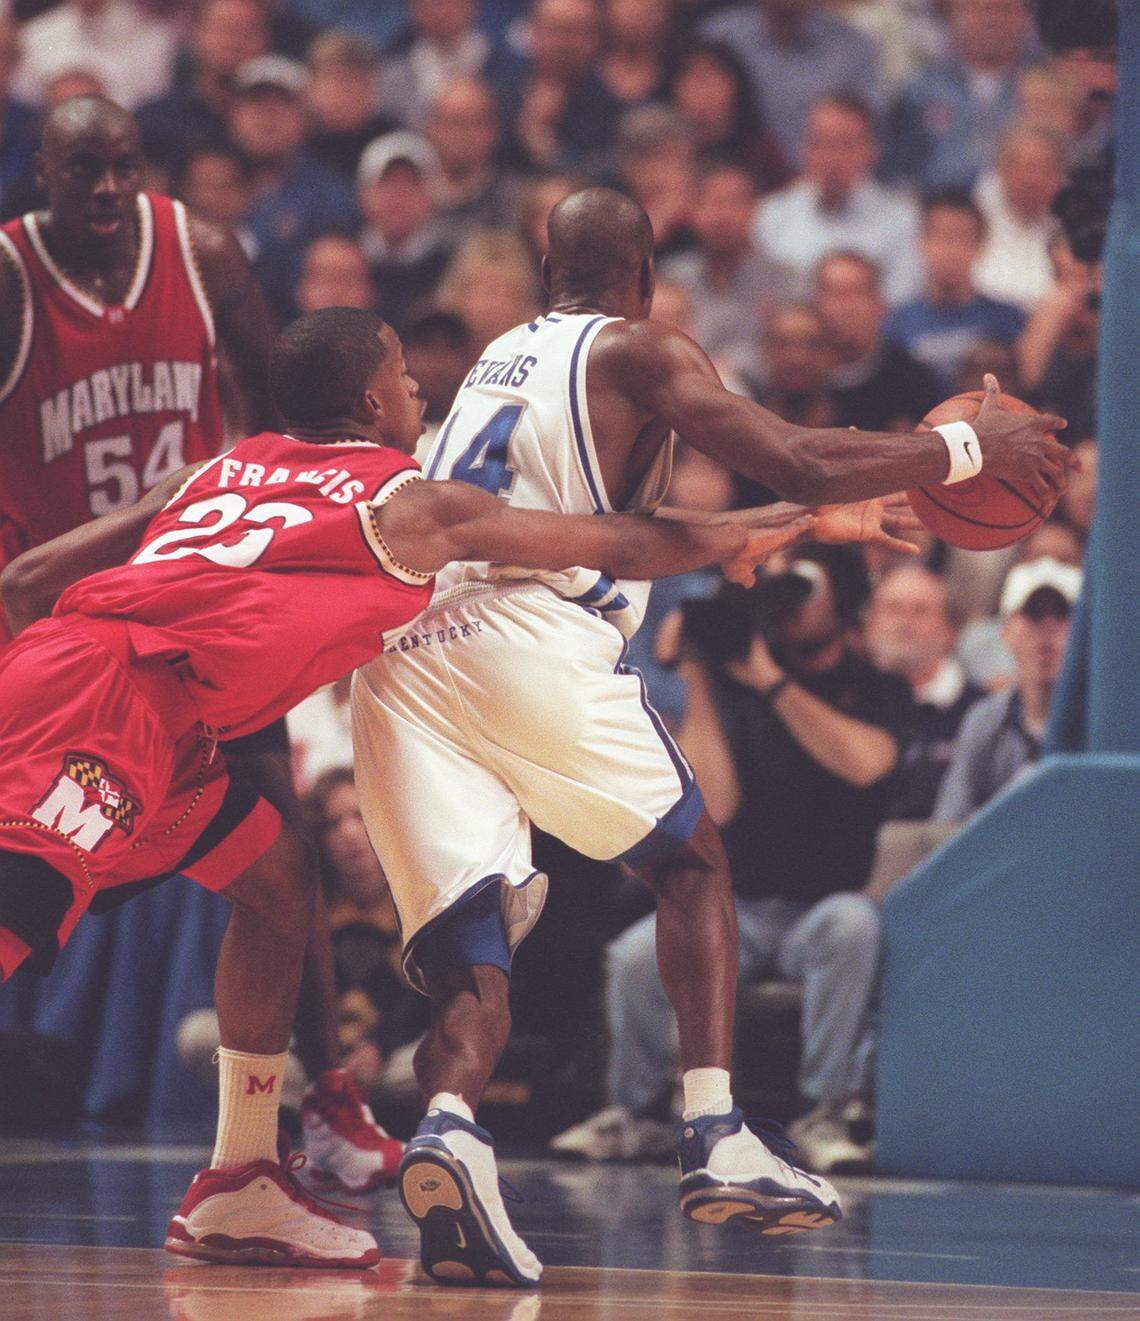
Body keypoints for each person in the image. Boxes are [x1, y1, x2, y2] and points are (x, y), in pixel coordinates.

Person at [348, 185, 1072, 1287]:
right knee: (688, 861)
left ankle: (447, 1126)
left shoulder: (502, 357)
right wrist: (965, 448)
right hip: (527, 635)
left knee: (470, 943)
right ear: (641, 278)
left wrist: (781, 529)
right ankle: (716, 1126)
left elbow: (629, 532)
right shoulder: (638, 350)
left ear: (547, 272)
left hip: (404, 653)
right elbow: (801, 457)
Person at [0, 304, 782, 1267]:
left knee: (278, 880)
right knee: (16, 909)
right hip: (106, 706)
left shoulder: (223, 467)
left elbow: (27, 580)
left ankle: (241, 1180)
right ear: (373, 402)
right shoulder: (408, 503)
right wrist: (739, 532)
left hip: (140, 708)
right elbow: (613, 543)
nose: (421, 391)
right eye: (407, 375)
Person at [555, 548, 913, 1174]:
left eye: (802, 585)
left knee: (854, 925)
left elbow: (867, 763)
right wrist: (698, 673)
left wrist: (772, 681)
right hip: (737, 908)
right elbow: (713, 805)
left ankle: (827, 1110)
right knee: (636, 954)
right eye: (773, 590)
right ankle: (634, 1115)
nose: (788, 602)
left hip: (820, 908)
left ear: (843, 599)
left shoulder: (876, 684)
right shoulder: (730, 687)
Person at [0, 97, 274, 647]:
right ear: (42, 172)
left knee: (253, 733)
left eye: (124, 168)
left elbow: (274, 392)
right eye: (83, 168)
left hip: (184, 570)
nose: (107, 187)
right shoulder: (10, 278)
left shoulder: (205, 251)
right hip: (53, 590)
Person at [935, 557, 1080, 820]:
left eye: (1062, 614)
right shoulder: (983, 720)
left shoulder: (1105, 719)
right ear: (1005, 631)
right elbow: (949, 826)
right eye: (1033, 614)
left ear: (1083, 631)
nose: (1048, 628)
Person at [753, 93, 921, 307]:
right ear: (804, 149)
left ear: (871, 150)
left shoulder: (902, 219)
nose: (832, 157)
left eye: (846, 144)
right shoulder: (772, 214)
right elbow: (764, 300)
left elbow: (899, 300)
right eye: (822, 143)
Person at [225, 55, 357, 322]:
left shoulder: (329, 196)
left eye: (282, 106)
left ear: (305, 118)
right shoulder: (207, 180)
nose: (267, 118)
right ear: (234, 115)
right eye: (256, 105)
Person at [865, 564, 984, 820]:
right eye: (892, 609)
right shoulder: (848, 701)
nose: (904, 623)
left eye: (920, 611)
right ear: (870, 623)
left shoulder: (980, 711)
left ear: (951, 630)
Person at [700, 0, 881, 168]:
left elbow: (866, 136)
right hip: (731, 185)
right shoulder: (720, 37)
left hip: (819, 188)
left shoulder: (852, 50)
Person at [884, 0, 1035, 193]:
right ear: (955, 16)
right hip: (938, 209)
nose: (992, 20)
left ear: (1027, 20)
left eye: (1004, 9)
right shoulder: (922, 89)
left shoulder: (1045, 90)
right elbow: (896, 168)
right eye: (980, 10)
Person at [884, 191, 1026, 392]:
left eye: (962, 239)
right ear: (921, 243)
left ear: (981, 246)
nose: (951, 250)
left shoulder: (1008, 319)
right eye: (942, 237)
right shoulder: (897, 323)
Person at [813, 251, 942, 433]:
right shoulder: (793, 376)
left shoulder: (913, 381)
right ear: (815, 303)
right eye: (835, 293)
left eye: (856, 293)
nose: (845, 308)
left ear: (879, 305)